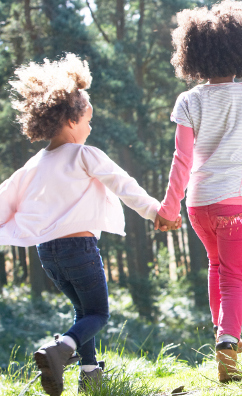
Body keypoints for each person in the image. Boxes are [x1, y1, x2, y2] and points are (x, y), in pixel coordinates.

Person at [0, 53, 173, 396]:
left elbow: (5, 197)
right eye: (87, 120)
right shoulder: (85, 154)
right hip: (79, 248)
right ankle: (59, 349)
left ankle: (90, 374)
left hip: (47, 254)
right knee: (98, 313)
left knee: (82, 312)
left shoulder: (33, 165)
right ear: (68, 120)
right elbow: (125, 185)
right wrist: (156, 212)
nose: (90, 127)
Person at [158, 0, 242, 382]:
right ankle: (229, 340)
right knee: (233, 276)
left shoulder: (189, 100)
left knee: (216, 267)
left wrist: (168, 207)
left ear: (193, 56)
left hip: (198, 205)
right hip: (236, 203)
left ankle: (222, 334)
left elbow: (181, 160)